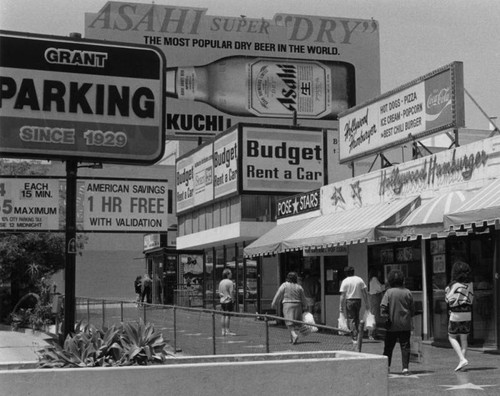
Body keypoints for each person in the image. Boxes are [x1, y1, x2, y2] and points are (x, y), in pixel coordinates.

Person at [380, 269, 415, 375]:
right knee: (405, 346)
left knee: (388, 347)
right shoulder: (408, 292)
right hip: (405, 325)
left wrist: (386, 317)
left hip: (392, 326)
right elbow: (412, 309)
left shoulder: (388, 292)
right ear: (402, 280)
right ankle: (405, 368)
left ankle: (387, 367)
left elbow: (383, 307)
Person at [445, 261, 474, 372]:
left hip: (456, 313)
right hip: (468, 313)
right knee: (464, 338)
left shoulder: (453, 285)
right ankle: (462, 362)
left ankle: (462, 359)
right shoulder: (470, 284)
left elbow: (448, 299)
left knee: (451, 336)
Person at [272, 271, 308, 344]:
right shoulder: (299, 286)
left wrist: (274, 302)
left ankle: (294, 335)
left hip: (287, 304)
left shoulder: (284, 285)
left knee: (289, 322)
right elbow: (303, 298)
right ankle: (291, 338)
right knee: (294, 322)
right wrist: (305, 305)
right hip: (298, 305)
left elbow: (278, 294)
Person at [339, 266, 370, 347]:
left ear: (346, 273)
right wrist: (367, 303)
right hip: (358, 300)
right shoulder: (359, 279)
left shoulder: (345, 281)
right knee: (357, 318)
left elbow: (342, 295)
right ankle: (358, 335)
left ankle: (354, 337)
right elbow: (364, 292)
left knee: (351, 319)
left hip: (349, 301)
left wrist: (341, 306)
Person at [368, 269, 385, 340]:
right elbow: (380, 288)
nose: (379, 273)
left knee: (375, 315)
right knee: (374, 316)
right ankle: (371, 334)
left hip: (374, 298)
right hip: (375, 298)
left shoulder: (372, 279)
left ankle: (374, 333)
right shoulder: (374, 279)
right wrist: (386, 285)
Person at [218, 268, 236, 336]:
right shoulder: (230, 282)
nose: (231, 274)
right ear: (228, 274)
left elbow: (219, 293)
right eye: (230, 273)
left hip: (222, 300)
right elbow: (231, 292)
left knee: (223, 315)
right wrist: (233, 299)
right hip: (228, 300)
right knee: (228, 316)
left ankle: (223, 330)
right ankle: (227, 330)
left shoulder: (221, 282)